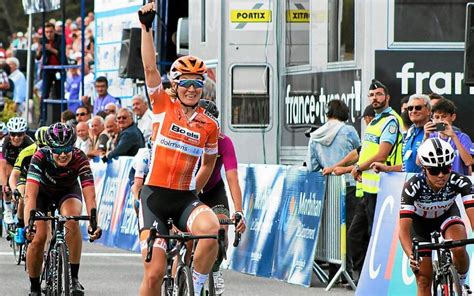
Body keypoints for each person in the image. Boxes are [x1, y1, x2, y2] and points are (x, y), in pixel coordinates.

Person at [139, 3, 221, 295]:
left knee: (212, 230)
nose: (191, 89)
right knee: (154, 274)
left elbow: (209, 164)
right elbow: (150, 68)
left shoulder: (209, 125)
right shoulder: (162, 106)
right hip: (155, 199)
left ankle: (196, 287)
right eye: (185, 83)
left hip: (185, 198)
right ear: (175, 85)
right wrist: (146, 29)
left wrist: (195, 191)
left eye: (197, 84)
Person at [24, 123, 102, 296]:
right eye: (57, 150)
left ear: (72, 147)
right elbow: (30, 195)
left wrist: (93, 222)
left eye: (67, 149)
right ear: (50, 148)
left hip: (67, 192)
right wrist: (29, 224)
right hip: (41, 195)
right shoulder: (40, 156)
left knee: (72, 220)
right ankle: (34, 287)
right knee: (38, 237)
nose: (63, 154)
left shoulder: (80, 157)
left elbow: (90, 195)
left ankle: (73, 279)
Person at [399, 138, 474, 296]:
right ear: (425, 169)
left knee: (459, 247)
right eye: (434, 171)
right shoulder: (412, 187)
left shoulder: (460, 181)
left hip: (446, 216)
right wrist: (411, 256)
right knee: (424, 281)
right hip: (420, 226)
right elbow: (403, 230)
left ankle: (460, 284)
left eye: (446, 169)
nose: (441, 175)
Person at [349, 79, 403, 277]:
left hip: (385, 185)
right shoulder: (376, 120)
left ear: (387, 97)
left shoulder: (390, 120)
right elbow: (365, 151)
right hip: (370, 188)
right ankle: (365, 277)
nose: (375, 98)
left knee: (379, 237)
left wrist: (357, 167)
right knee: (358, 234)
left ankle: (378, 278)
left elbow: (382, 155)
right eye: (371, 95)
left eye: (379, 94)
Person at [306, 99, 361, 282]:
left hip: (328, 187)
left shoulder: (316, 135)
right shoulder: (348, 131)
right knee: (350, 230)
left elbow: (312, 165)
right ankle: (349, 273)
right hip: (349, 185)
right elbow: (361, 152)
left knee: (332, 231)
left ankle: (333, 272)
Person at [196, 99, 246, 294]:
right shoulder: (189, 137)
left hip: (213, 190)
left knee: (221, 229)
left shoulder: (223, 142)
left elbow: (233, 179)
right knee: (187, 237)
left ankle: (215, 270)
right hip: (188, 191)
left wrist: (239, 211)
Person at [8, 127, 48, 243]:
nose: (44, 150)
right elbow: (14, 176)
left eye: (47, 147)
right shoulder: (26, 152)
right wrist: (15, 189)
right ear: (36, 143)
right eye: (41, 147)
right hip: (25, 178)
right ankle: (21, 226)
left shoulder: (55, 154)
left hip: (43, 180)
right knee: (22, 197)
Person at [424, 98, 472, 175]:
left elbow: (469, 162)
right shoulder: (431, 137)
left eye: (444, 116)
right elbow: (418, 162)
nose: (440, 120)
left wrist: (453, 137)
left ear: (453, 117)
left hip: (458, 182)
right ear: (432, 118)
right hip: (438, 181)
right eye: (437, 117)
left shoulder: (462, 137)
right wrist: (425, 136)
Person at [1, 117, 34, 224]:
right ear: (9, 134)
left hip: (24, 167)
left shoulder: (29, 142)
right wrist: (4, 184)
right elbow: (3, 164)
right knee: (6, 182)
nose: (16, 137)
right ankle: (7, 210)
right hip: (9, 166)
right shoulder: (5, 142)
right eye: (13, 134)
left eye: (19, 134)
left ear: (24, 134)